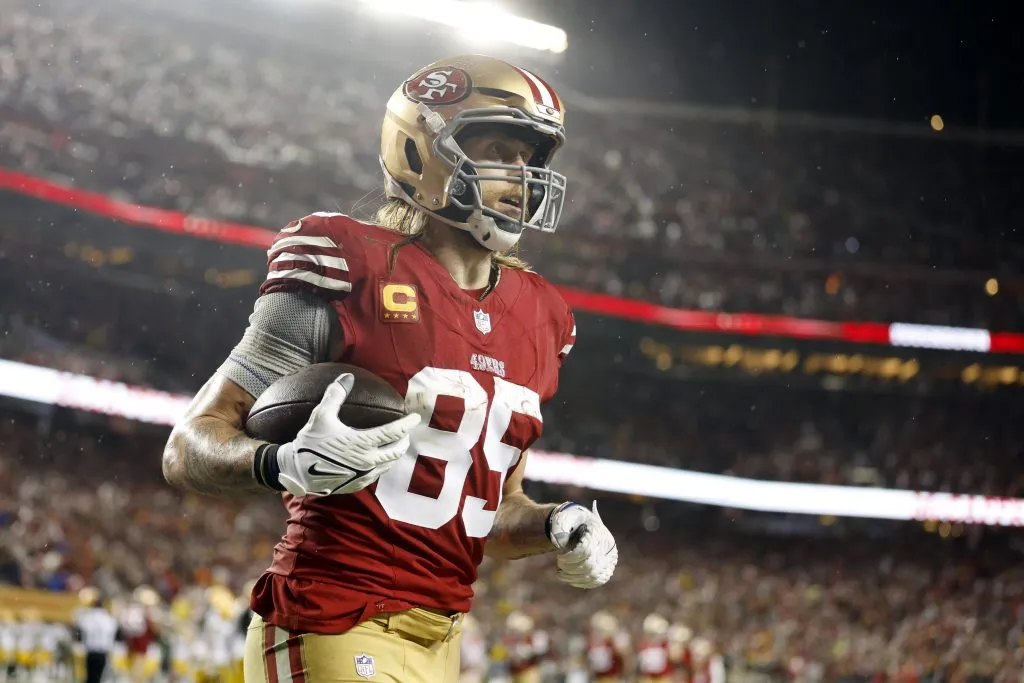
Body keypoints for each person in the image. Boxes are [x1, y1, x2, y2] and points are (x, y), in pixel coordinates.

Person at [162, 54, 618, 683]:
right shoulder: (348, 263)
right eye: (498, 150)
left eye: (531, 158)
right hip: (332, 619)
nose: (523, 175)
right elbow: (187, 446)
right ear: (421, 151)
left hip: (444, 641)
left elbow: (491, 513)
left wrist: (557, 523)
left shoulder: (543, 318)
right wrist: (280, 463)